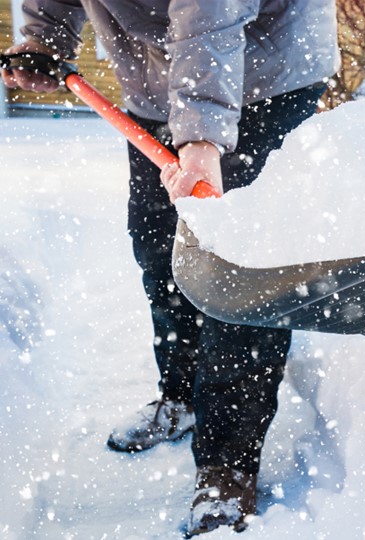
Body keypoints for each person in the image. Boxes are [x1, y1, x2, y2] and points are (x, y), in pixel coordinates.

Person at [2, 0, 339, 535]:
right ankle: (181, 395)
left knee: (237, 269)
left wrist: (201, 139)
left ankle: (226, 467)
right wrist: (45, 36)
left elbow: (211, 15)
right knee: (160, 244)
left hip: (265, 70)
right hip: (156, 82)